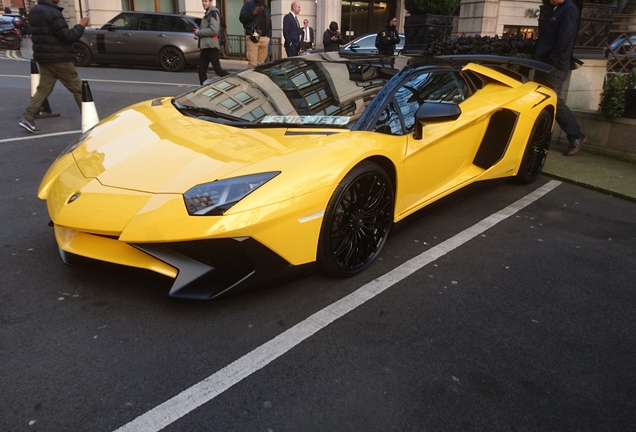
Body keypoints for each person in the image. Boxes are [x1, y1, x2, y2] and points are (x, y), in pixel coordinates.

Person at [19, 0, 89, 133]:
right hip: (59, 58)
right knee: (79, 89)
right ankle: (90, 119)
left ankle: (28, 117)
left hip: (44, 57)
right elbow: (68, 36)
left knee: (44, 89)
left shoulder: (34, 10)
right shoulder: (52, 12)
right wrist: (81, 26)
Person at [533, 0, 586, 156]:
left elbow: (565, 38)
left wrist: (552, 62)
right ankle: (538, 134)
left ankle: (576, 136)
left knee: (554, 100)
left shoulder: (569, 9)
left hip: (553, 66)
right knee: (538, 98)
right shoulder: (559, 8)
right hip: (544, 64)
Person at [194, 0, 229, 85]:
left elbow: (214, 30)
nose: (203, 3)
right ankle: (203, 89)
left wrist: (199, 32)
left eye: (205, 1)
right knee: (201, 70)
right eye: (202, 1)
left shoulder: (213, 13)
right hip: (206, 47)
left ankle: (234, 79)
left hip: (211, 47)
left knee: (218, 71)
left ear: (210, 2)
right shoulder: (208, 13)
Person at [239, 0, 271, 67]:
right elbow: (242, 18)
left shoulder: (266, 7)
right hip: (252, 37)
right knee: (252, 65)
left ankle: (259, 78)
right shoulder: (248, 5)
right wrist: (253, 13)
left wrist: (268, 37)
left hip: (264, 38)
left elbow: (269, 23)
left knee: (261, 65)